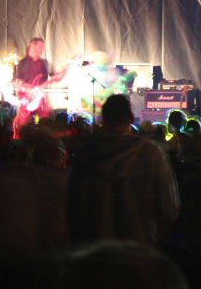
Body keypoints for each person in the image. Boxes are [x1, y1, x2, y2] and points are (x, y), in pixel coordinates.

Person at [68, 94, 180, 247]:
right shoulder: (148, 151)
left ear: (103, 120)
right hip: (139, 242)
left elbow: (73, 207)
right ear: (131, 119)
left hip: (95, 246)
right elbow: (168, 205)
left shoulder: (85, 154)